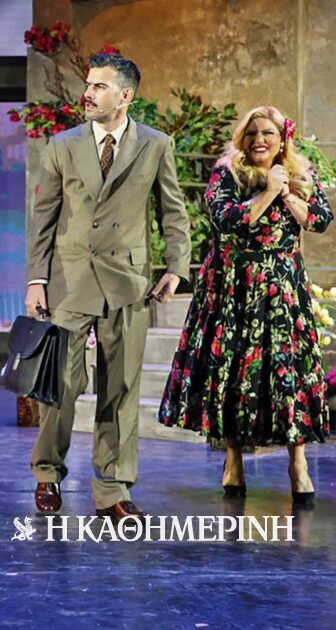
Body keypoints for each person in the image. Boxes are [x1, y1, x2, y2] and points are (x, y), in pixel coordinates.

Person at [25, 53, 190, 519]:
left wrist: (176, 267)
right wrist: (37, 279)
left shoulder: (155, 144)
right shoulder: (63, 145)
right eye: (88, 85)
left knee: (120, 389)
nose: (88, 93)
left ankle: (113, 489)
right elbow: (43, 218)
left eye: (99, 86)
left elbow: (173, 212)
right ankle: (47, 472)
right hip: (70, 281)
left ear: (126, 95)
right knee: (60, 383)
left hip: (127, 281)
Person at [159, 106, 331, 504]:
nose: (259, 140)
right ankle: (233, 458)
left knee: (289, 373)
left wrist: (286, 193)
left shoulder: (301, 174)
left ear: (283, 139)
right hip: (233, 286)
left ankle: (298, 464)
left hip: (283, 288)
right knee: (234, 372)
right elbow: (227, 219)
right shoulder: (228, 172)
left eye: (268, 132)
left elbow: (319, 219)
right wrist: (267, 191)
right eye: (252, 133)